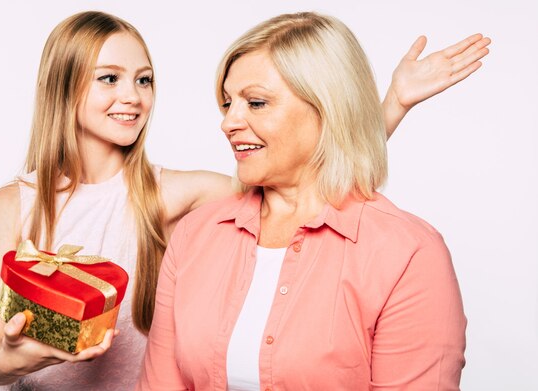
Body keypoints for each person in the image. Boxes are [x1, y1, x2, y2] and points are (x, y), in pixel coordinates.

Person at [0, 10, 489, 391]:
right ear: (62, 89)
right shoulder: (14, 204)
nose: (132, 96)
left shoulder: (177, 196)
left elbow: (304, 180)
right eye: (109, 78)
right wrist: (17, 361)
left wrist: (388, 104)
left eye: (144, 80)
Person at [138, 12, 475, 391]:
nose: (228, 122)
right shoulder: (196, 235)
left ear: (327, 107)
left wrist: (391, 103)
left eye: (257, 102)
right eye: (227, 103)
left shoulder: (409, 253)